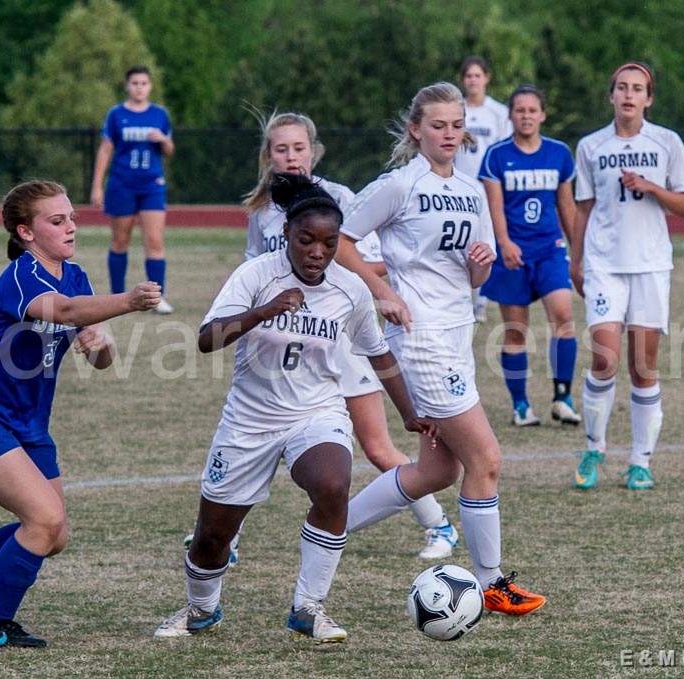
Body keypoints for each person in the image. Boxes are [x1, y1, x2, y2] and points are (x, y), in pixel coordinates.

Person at [154, 173, 436, 643]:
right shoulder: (256, 275)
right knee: (211, 538)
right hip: (249, 421)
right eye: (307, 241)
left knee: (332, 484)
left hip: (316, 413)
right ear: (287, 233)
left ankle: (309, 607)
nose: (317, 253)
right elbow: (207, 340)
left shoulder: (350, 290)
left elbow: (379, 353)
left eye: (328, 244)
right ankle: (201, 609)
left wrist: (407, 412)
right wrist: (264, 311)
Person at [335, 82, 546, 617]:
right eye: (438, 126)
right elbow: (339, 241)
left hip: (457, 335)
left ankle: (328, 524)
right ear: (416, 129)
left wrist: (481, 262)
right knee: (487, 459)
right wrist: (383, 292)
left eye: (456, 125)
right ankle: (491, 582)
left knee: (437, 473)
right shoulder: (399, 185)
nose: (449, 134)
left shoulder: (472, 191)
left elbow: (475, 275)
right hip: (422, 342)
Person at [0, 180, 160, 648]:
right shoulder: (19, 277)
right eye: (57, 221)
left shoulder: (75, 275)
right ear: (26, 232)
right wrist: (129, 301)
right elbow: (68, 311)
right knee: (42, 521)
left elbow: (97, 352)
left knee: (53, 535)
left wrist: (101, 345)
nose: (71, 227)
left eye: (72, 217)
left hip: (28, 423)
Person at [240, 111, 458, 559]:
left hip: (342, 342)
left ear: (313, 151)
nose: (291, 156)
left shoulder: (338, 198)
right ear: (268, 156)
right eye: (281, 149)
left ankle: (440, 527)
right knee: (256, 442)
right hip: (286, 346)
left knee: (377, 446)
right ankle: (228, 541)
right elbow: (251, 272)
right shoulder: (262, 213)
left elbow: (375, 263)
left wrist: (327, 271)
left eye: (299, 148)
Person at [569, 62, 684, 491]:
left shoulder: (667, 142)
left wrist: (651, 187)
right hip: (605, 264)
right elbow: (583, 208)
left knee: (643, 368)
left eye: (637, 88)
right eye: (621, 87)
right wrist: (576, 260)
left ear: (649, 98)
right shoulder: (590, 146)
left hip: (651, 265)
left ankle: (640, 461)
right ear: (611, 96)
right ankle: (594, 448)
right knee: (604, 358)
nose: (628, 94)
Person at [478, 84, 581, 428]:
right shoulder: (496, 155)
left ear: (542, 115)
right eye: (519, 110)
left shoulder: (558, 153)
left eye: (532, 110)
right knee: (516, 331)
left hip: (550, 250)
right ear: (510, 115)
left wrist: (576, 249)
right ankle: (521, 405)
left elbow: (567, 206)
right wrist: (504, 242)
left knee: (564, 316)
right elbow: (494, 207)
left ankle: (562, 397)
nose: (526, 116)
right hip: (513, 253)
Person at [90, 65, 175, 313]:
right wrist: (97, 185)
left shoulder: (160, 114)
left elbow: (169, 151)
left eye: (144, 83)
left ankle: (156, 297)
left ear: (150, 86)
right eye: (135, 83)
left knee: (155, 240)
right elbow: (105, 149)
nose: (139, 87)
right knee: (120, 240)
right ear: (127, 86)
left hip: (151, 185)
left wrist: (164, 140)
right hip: (122, 184)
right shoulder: (116, 114)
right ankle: (118, 297)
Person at [455, 56, 513, 323]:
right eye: (469, 76)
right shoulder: (456, 110)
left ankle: (482, 298)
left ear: (486, 78)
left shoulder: (499, 112)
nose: (473, 80)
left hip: (488, 189)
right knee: (459, 242)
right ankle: (464, 297)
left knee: (485, 242)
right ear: (463, 80)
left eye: (478, 75)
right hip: (458, 187)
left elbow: (505, 150)